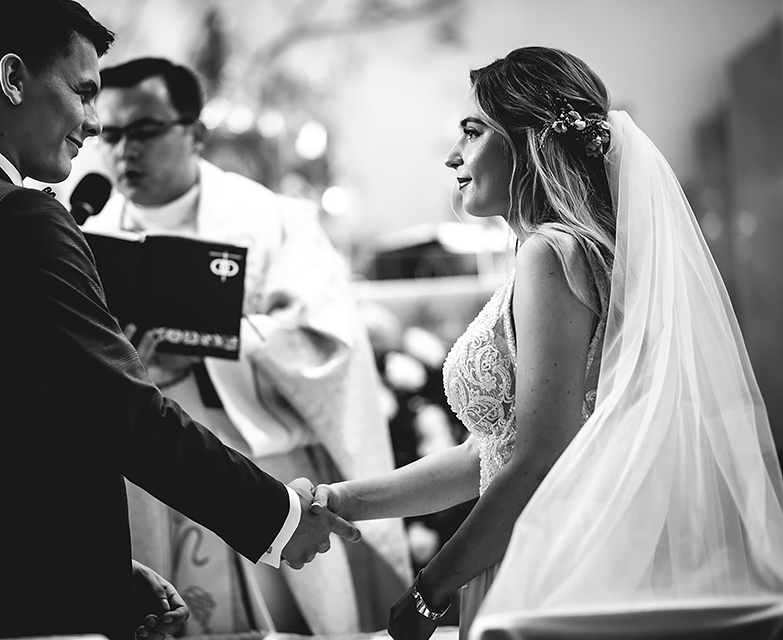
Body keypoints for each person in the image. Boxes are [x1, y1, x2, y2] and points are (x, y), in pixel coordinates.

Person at [0, 3, 360, 640]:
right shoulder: (17, 218)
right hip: (17, 619)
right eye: (83, 92)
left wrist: (92, 568)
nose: (95, 123)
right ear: (13, 78)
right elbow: (125, 415)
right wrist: (281, 518)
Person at [311, 46, 783, 640]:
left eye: (472, 132)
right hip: (554, 550)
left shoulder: (550, 256)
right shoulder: (572, 254)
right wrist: (345, 501)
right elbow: (490, 455)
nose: (454, 155)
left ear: (526, 139)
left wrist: (431, 589)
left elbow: (538, 460)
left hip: (549, 564)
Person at [81, 56, 412, 635]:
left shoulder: (272, 220)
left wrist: (215, 343)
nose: (124, 150)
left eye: (145, 130)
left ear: (195, 133)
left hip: (254, 467)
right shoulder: (88, 234)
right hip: (140, 479)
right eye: (109, 134)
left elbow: (325, 343)